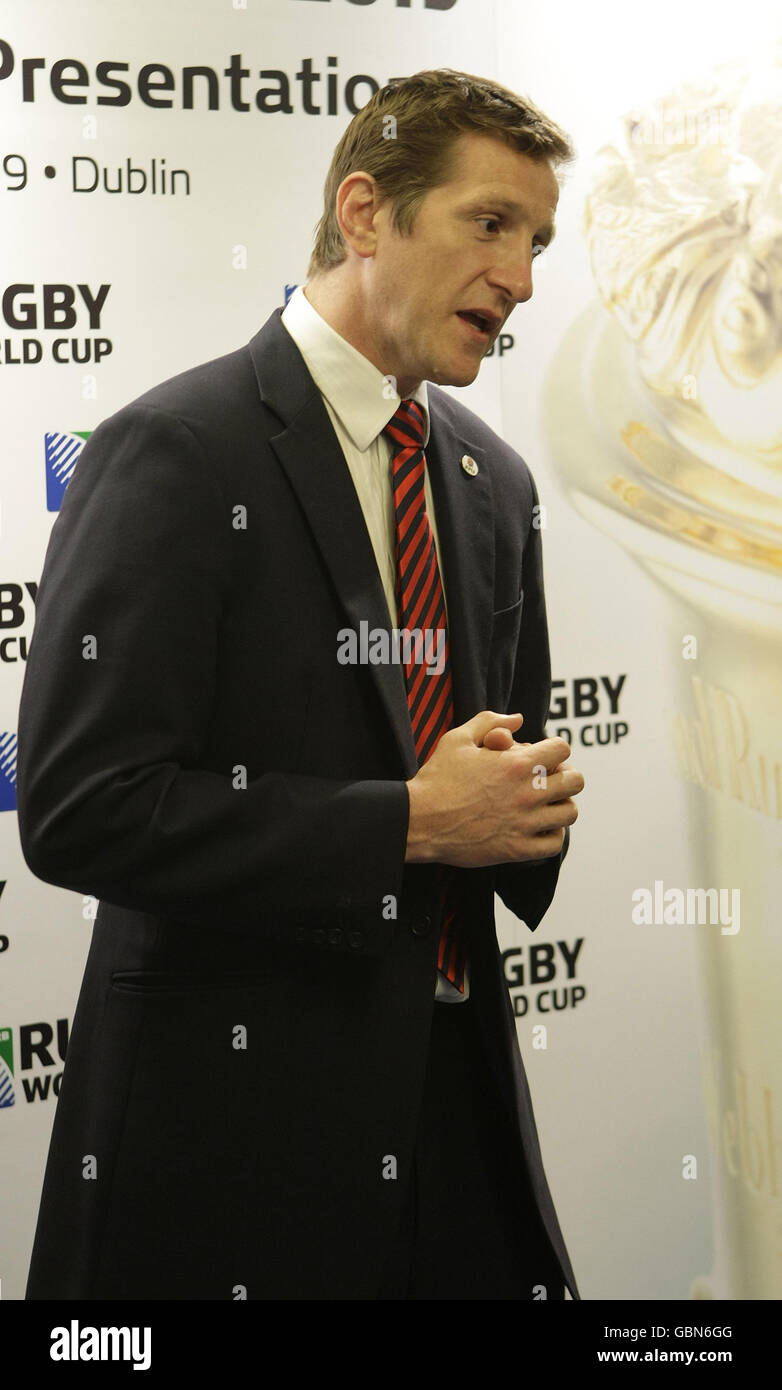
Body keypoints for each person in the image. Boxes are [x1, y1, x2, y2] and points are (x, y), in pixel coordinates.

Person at [17, 67, 584, 1301]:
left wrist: (515, 810)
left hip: (459, 1117)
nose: (523, 278)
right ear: (366, 210)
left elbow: (496, 776)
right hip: (232, 1143)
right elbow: (79, 808)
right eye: (488, 224)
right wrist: (411, 822)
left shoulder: (493, 479)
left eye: (536, 241)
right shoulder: (175, 450)